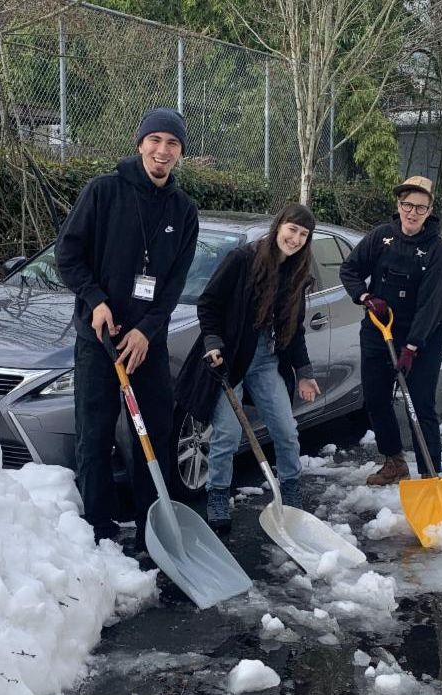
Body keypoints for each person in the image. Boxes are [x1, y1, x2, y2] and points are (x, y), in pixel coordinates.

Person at [55, 107, 200, 553]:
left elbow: (173, 286)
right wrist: (95, 300)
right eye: (155, 140)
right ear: (140, 144)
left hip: (145, 344)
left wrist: (147, 332)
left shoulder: (184, 211)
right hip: (98, 339)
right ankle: (98, 529)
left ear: (179, 154)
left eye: (172, 144)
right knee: (94, 434)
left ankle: (151, 527)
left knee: (152, 434)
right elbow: (68, 255)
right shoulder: (103, 192)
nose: (162, 151)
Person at [174, 204, 321, 531]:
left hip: (267, 361)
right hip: (229, 360)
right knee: (227, 433)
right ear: (279, 225)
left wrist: (306, 373)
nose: (295, 238)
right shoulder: (242, 260)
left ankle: (291, 492)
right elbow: (208, 303)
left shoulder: (297, 274)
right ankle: (217, 494)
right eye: (291, 229)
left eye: (302, 234)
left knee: (285, 429)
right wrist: (212, 341)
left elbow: (293, 330)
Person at [339, 176, 442, 486]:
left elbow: (431, 304)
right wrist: (364, 296)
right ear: (398, 205)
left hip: (422, 338)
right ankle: (394, 462)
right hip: (378, 329)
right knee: (375, 398)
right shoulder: (381, 237)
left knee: (420, 403)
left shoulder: (436, 250)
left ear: (429, 211)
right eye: (407, 205)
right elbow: (350, 269)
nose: (412, 213)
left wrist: (412, 347)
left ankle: (430, 474)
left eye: (420, 207)